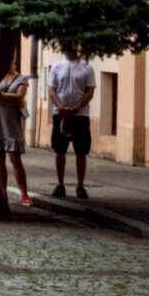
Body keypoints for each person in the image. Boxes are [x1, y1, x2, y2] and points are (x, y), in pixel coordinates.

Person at [48, 45, 96, 198]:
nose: (72, 48)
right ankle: (60, 184)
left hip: (80, 115)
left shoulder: (86, 68)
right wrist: (61, 107)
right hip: (60, 114)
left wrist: (76, 107)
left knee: (81, 151)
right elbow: (52, 90)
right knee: (59, 150)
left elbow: (90, 91)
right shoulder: (57, 66)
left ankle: (80, 185)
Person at [0, 60, 33, 206]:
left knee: (15, 159)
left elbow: (19, 97)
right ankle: (2, 192)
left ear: (13, 63)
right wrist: (5, 98)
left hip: (11, 122)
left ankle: (24, 194)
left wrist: (0, 96)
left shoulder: (21, 79)